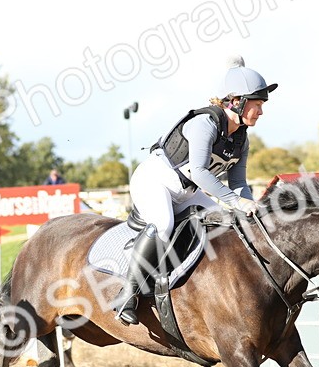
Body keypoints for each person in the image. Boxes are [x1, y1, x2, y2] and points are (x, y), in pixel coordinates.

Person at [114, 56, 274, 325]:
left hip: (187, 191)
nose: (261, 111)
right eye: (257, 104)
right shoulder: (205, 124)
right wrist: (236, 201)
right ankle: (127, 294)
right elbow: (200, 172)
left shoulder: (240, 137)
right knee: (163, 224)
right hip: (155, 180)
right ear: (237, 102)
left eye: (261, 105)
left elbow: (238, 183)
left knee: (225, 225)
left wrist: (249, 209)